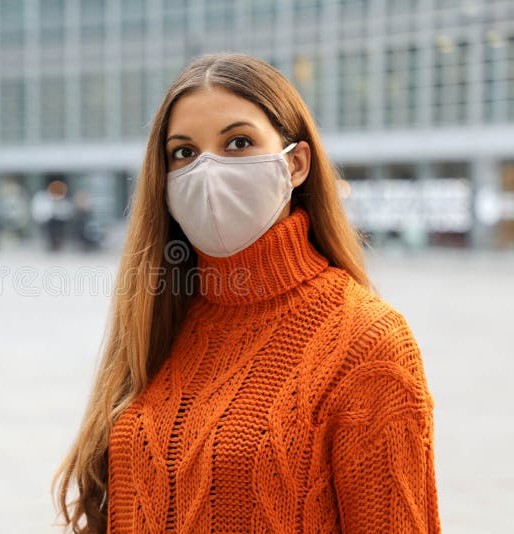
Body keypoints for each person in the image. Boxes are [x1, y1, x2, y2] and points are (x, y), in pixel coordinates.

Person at [52, 53, 441, 533]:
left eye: (238, 142)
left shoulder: (367, 342)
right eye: (184, 152)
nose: (208, 171)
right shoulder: (163, 314)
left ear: (296, 163)